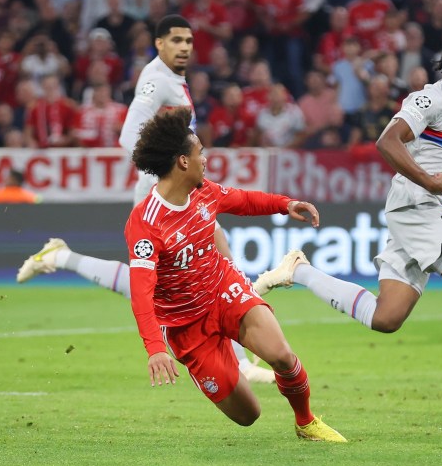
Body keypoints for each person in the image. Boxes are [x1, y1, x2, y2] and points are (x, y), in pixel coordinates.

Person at [251, 34, 442, 419]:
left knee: (386, 318)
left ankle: (300, 271)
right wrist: (430, 182)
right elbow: (387, 140)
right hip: (418, 205)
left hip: (416, 210)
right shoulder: (429, 99)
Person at [16, 15, 275, 384]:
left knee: (211, 262)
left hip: (178, 188)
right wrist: (167, 175)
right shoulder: (156, 80)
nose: (184, 46)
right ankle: (241, 361)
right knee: (167, 280)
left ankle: (60, 256)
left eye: (188, 40)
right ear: (159, 44)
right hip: (163, 192)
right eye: (175, 40)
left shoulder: (172, 78)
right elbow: (128, 133)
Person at [123, 107, 345, 441]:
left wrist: (285, 204)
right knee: (248, 415)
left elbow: (242, 200)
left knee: (282, 357)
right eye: (201, 153)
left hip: (223, 291)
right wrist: (155, 348)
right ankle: (226, 357)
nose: (206, 159)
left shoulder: (203, 192)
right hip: (186, 327)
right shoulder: (145, 223)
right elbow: (141, 291)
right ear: (183, 161)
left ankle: (306, 422)